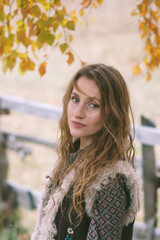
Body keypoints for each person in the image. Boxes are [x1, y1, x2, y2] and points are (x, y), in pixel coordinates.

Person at [31, 64, 141, 240]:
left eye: (92, 105)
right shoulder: (68, 161)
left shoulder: (110, 182)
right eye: (75, 99)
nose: (78, 112)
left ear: (112, 114)